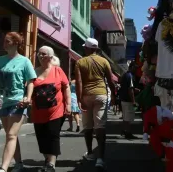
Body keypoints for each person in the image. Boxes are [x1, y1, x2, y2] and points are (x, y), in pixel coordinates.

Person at [0, 32, 37, 172]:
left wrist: (28, 98)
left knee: (11, 135)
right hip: (3, 102)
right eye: (4, 41)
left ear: (16, 43)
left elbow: (30, 81)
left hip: (18, 102)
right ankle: (19, 163)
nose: (4, 44)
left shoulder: (24, 61)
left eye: (7, 41)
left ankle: (3, 168)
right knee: (11, 135)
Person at [75, 38, 115, 169]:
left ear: (87, 48)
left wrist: (80, 99)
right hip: (101, 94)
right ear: (96, 49)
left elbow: (79, 82)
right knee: (100, 126)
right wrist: (114, 96)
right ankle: (100, 158)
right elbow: (111, 81)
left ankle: (90, 152)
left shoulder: (80, 62)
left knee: (87, 126)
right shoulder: (104, 61)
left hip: (86, 95)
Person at [32, 46, 71, 172]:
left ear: (50, 56)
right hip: (38, 112)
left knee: (53, 136)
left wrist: (69, 104)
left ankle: (51, 164)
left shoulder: (57, 70)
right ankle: (48, 160)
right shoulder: (33, 72)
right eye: (39, 53)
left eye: (43, 54)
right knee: (41, 138)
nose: (40, 56)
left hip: (56, 111)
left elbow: (66, 87)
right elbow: (29, 88)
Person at [119, 61, 138, 139]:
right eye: (135, 68)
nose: (136, 70)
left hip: (123, 99)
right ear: (132, 67)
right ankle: (128, 132)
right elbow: (130, 90)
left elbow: (128, 87)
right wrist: (133, 101)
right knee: (128, 117)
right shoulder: (130, 76)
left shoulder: (125, 75)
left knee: (125, 116)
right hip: (127, 100)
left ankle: (125, 130)